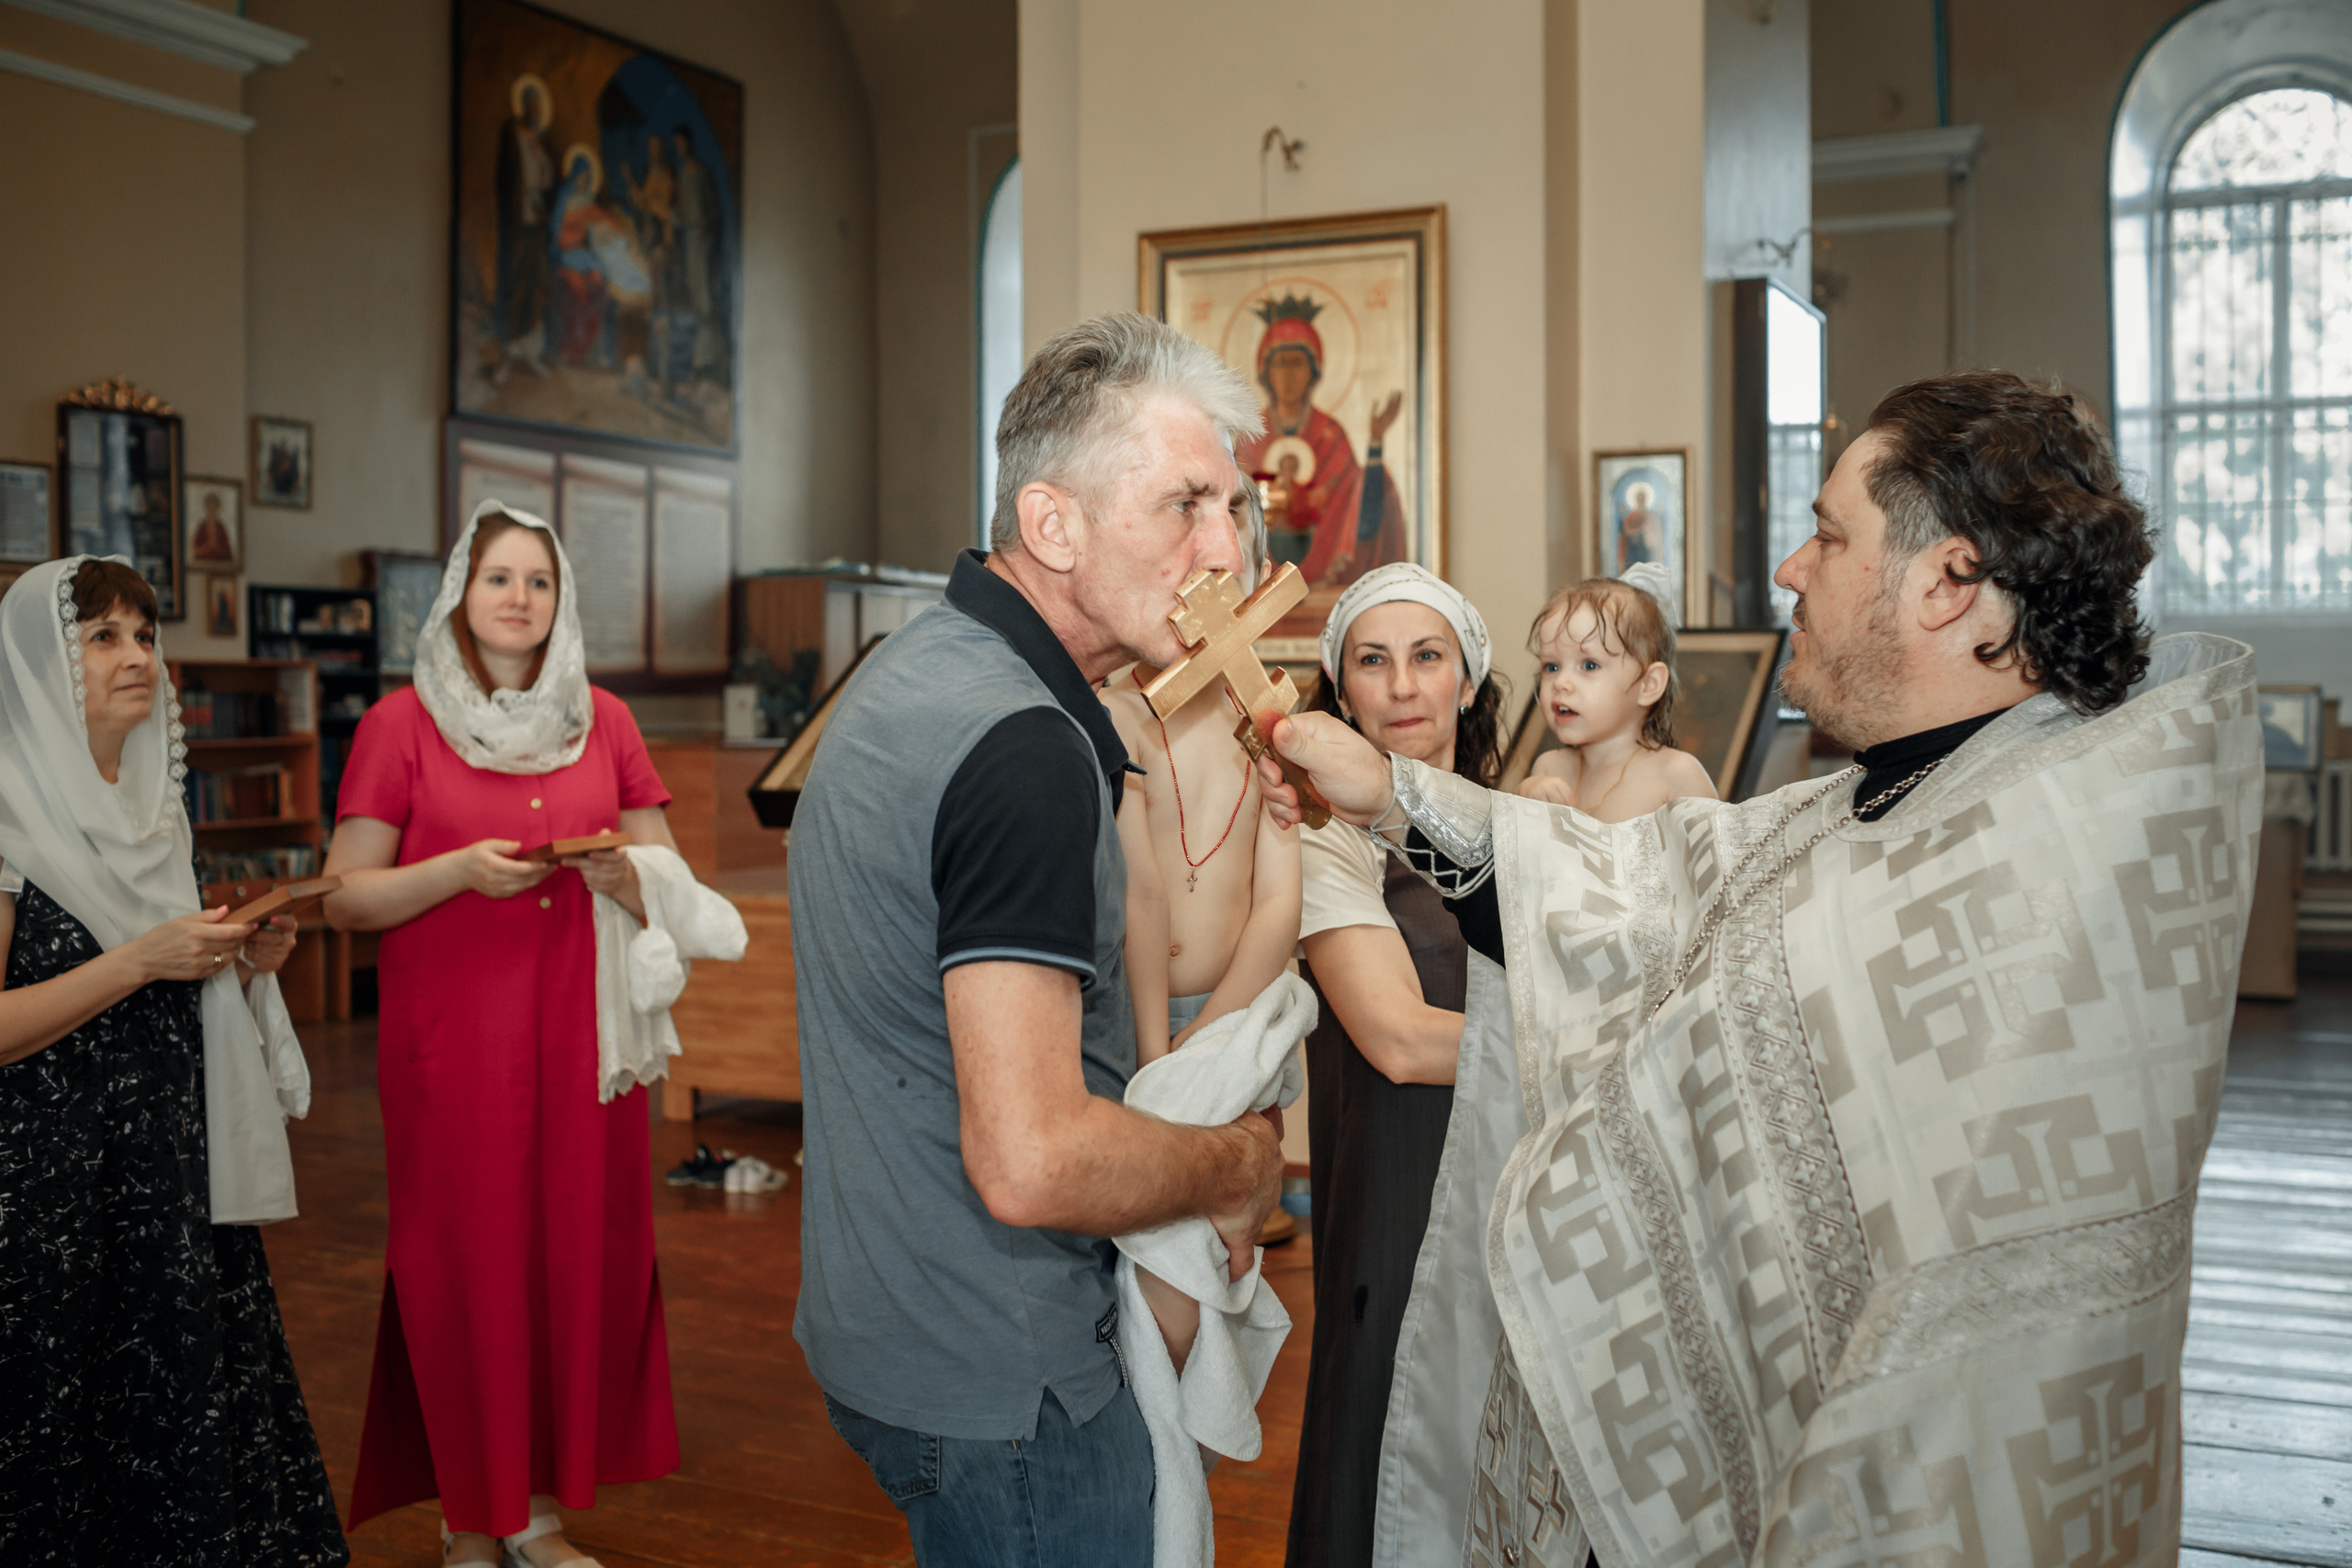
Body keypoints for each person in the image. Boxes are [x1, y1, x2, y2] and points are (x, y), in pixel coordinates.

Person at [1256, 371, 2258, 1567]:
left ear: (1952, 580)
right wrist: (1387, 791)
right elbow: (1641, 893)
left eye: (1832, 533)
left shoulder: (2045, 860)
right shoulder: (1918, 794)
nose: (1790, 564)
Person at [790, 312, 1288, 1566]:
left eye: (1232, 505)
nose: (1224, 548)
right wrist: (1230, 1165)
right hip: (1002, 1372)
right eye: (1185, 505)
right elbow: (1031, 1156)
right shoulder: (1022, 745)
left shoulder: (921, 668)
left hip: (889, 1315)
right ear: (1055, 523)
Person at [324, 502, 683, 1567]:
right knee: (466, 1268)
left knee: (569, 1266)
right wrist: (455, 872)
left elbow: (667, 870)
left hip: (587, 1046)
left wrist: (626, 871)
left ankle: (531, 1513)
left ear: (560, 600)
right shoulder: (398, 725)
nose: (519, 598)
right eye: (498, 579)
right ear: (458, 597)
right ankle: (464, 1518)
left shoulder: (603, 720)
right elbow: (345, 900)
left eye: (538, 580)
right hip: (454, 1052)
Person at [0, 556, 345, 1565]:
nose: (137, 656)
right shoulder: (8, 816)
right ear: (32, 663)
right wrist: (141, 959)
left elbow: (172, 999)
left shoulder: (158, 810)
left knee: (170, 1415)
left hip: (166, 1177)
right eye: (102, 636)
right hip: (49, 1191)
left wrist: (245, 965)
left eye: (146, 635)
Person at [1279, 561, 1507, 1568]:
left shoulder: (1525, 826)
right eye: (1373, 662)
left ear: (1467, 680)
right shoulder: (1322, 843)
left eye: (1426, 658)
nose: (1403, 686)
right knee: (1396, 1424)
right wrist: (1596, 1052)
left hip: (1516, 1175)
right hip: (1397, 1183)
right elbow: (1400, 1040)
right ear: (1341, 691)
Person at [1101, 475, 1303, 1367]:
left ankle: (1184, 1445)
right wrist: (1156, 1059)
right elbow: (1138, 895)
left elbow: (1279, 904)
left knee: (1215, 1248)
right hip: (1143, 1021)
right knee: (1150, 1253)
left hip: (1238, 1017)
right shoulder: (1119, 713)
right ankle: (1153, 1447)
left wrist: (1206, 1041)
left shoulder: (1269, 711)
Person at [1513, 564, 1716, 822]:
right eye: (1551, 666)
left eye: (1589, 665)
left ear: (1649, 684)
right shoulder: (1548, 768)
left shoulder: (1676, 775)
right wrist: (1521, 800)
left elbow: (1716, 861)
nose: (1560, 682)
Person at [1234, 292, 1407, 589]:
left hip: (1320, 566)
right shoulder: (1251, 433)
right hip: (1259, 572)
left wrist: (1376, 442)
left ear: (1313, 371)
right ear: (1266, 371)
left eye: (1297, 363)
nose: (1288, 375)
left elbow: (1360, 515)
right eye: (1280, 363)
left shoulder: (1331, 434)